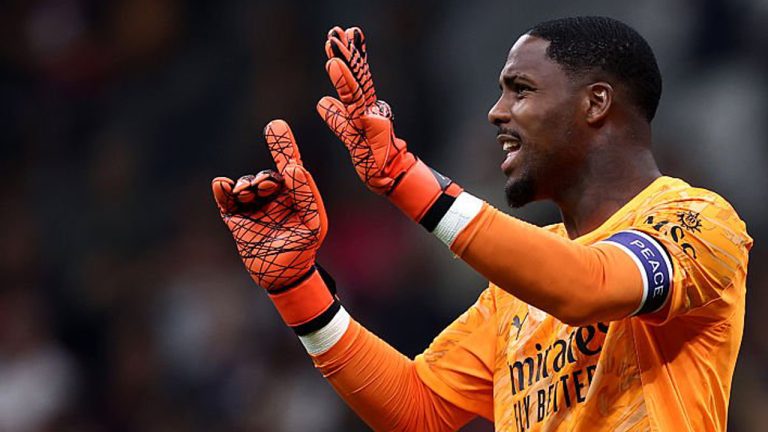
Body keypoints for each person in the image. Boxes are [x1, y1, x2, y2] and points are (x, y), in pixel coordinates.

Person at [212, 16, 752, 431]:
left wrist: (405, 177)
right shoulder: (511, 293)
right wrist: (298, 288)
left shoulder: (699, 221)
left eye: (521, 89)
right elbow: (418, 409)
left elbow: (589, 287)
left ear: (596, 103)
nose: (496, 111)